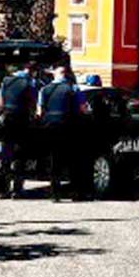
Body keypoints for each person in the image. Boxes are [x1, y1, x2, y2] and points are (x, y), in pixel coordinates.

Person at [0, 60, 38, 199]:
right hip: (21, 120)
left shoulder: (6, 81)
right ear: (31, 71)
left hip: (7, 119)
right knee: (20, 156)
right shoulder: (29, 83)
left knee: (6, 154)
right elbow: (33, 104)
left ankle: (3, 189)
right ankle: (17, 190)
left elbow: (0, 102)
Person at [37, 63, 80, 199]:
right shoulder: (72, 89)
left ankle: (54, 193)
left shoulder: (45, 90)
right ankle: (74, 191)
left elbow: (39, 111)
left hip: (49, 126)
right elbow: (82, 108)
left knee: (53, 159)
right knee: (71, 159)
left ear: (54, 74)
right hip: (67, 126)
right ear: (66, 74)